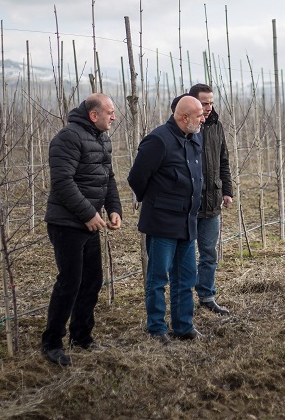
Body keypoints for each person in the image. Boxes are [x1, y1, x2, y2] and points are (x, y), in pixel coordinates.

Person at [41, 94, 123, 366]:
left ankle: (81, 336)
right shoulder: (68, 138)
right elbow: (62, 182)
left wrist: (113, 208)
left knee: (92, 280)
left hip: (89, 223)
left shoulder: (101, 138)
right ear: (93, 115)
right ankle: (52, 342)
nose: (113, 117)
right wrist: (88, 213)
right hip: (66, 223)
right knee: (70, 283)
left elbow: (107, 177)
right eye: (109, 112)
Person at [128, 95, 205, 343]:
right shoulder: (158, 140)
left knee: (186, 278)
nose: (203, 119)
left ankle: (183, 326)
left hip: (187, 221)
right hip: (162, 222)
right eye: (199, 116)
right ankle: (157, 329)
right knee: (158, 278)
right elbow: (137, 178)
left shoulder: (195, 138)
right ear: (184, 118)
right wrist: (155, 202)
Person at [187, 83, 233, 315]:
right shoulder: (185, 126)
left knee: (209, 252)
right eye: (204, 103)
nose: (208, 107)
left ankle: (206, 296)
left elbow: (223, 160)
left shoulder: (216, 126)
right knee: (184, 255)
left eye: (211, 102)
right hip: (187, 204)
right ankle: (183, 298)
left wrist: (227, 190)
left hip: (213, 200)